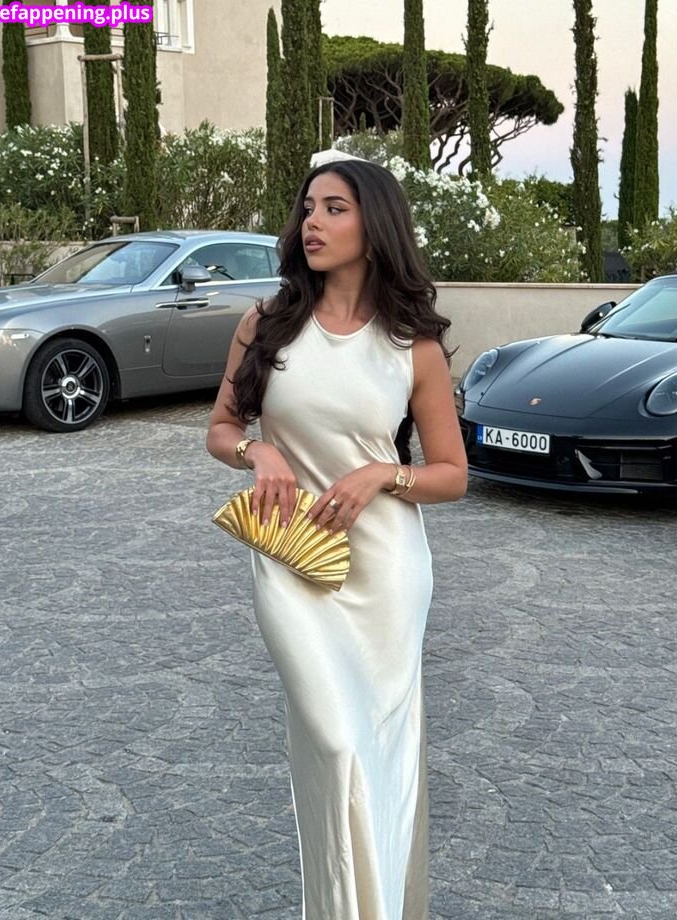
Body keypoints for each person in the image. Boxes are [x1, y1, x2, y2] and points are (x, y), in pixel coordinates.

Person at [206, 158, 467, 919]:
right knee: (335, 742)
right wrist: (255, 451)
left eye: (334, 208)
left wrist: (384, 473)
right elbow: (220, 427)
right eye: (307, 208)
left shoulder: (412, 346)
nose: (311, 222)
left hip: (385, 570)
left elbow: (453, 474)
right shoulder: (266, 324)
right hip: (292, 561)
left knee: (383, 750)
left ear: (374, 228)